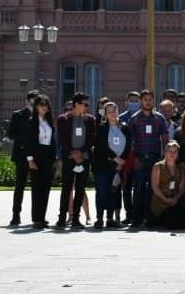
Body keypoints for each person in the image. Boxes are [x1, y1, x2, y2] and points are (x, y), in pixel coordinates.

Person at [128, 89, 170, 230]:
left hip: (155, 159)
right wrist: (134, 157)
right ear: (141, 101)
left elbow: (165, 138)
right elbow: (129, 140)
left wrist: (163, 157)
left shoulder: (159, 118)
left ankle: (150, 218)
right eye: (145, 99)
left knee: (153, 190)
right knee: (138, 190)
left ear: (154, 101)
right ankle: (136, 219)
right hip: (139, 159)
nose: (148, 102)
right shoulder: (134, 118)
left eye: (150, 99)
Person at [56, 91, 96, 230]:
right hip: (69, 158)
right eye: (85, 104)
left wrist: (81, 152)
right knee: (66, 188)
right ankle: (62, 218)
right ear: (77, 104)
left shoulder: (90, 119)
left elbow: (92, 138)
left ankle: (76, 219)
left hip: (84, 158)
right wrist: (74, 153)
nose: (87, 107)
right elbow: (62, 139)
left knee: (80, 189)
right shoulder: (63, 119)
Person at [21, 95, 57, 230]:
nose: (44, 107)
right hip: (36, 156)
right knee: (37, 188)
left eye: (46, 104)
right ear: (36, 107)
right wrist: (30, 160)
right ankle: (36, 218)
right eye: (41, 104)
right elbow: (27, 142)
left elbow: (52, 141)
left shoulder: (49, 121)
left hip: (48, 156)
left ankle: (42, 217)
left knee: (46, 187)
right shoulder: (31, 122)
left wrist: (54, 158)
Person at [92, 100, 130, 229]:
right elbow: (101, 146)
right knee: (101, 192)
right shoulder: (102, 127)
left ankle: (110, 218)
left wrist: (122, 160)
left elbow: (128, 145)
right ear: (105, 114)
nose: (112, 113)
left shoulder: (124, 127)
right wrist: (116, 158)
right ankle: (99, 218)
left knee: (113, 192)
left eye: (114, 110)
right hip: (103, 165)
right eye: (109, 112)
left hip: (118, 166)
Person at [6, 90, 37, 226]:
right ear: (27, 101)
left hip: (36, 155)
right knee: (20, 186)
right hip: (21, 154)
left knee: (36, 187)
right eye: (32, 103)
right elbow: (11, 134)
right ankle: (16, 214)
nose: (35, 106)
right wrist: (25, 138)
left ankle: (37, 216)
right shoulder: (18, 115)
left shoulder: (41, 115)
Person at [146, 140, 185, 228]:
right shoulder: (158, 166)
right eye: (170, 151)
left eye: (175, 151)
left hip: (174, 201)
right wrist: (166, 199)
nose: (172, 154)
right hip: (160, 201)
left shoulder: (180, 168)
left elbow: (182, 188)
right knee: (171, 219)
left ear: (178, 154)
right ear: (165, 152)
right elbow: (155, 187)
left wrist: (176, 198)